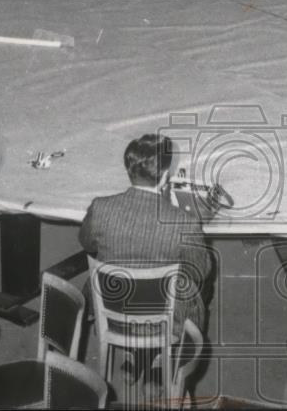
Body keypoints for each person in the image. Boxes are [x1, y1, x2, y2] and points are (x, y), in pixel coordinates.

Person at [79, 134, 212, 386]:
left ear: (129, 170)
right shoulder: (183, 221)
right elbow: (199, 271)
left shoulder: (100, 208)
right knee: (199, 285)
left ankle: (135, 356)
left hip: (112, 307)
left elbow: (86, 243)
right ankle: (158, 361)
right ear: (164, 176)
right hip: (164, 318)